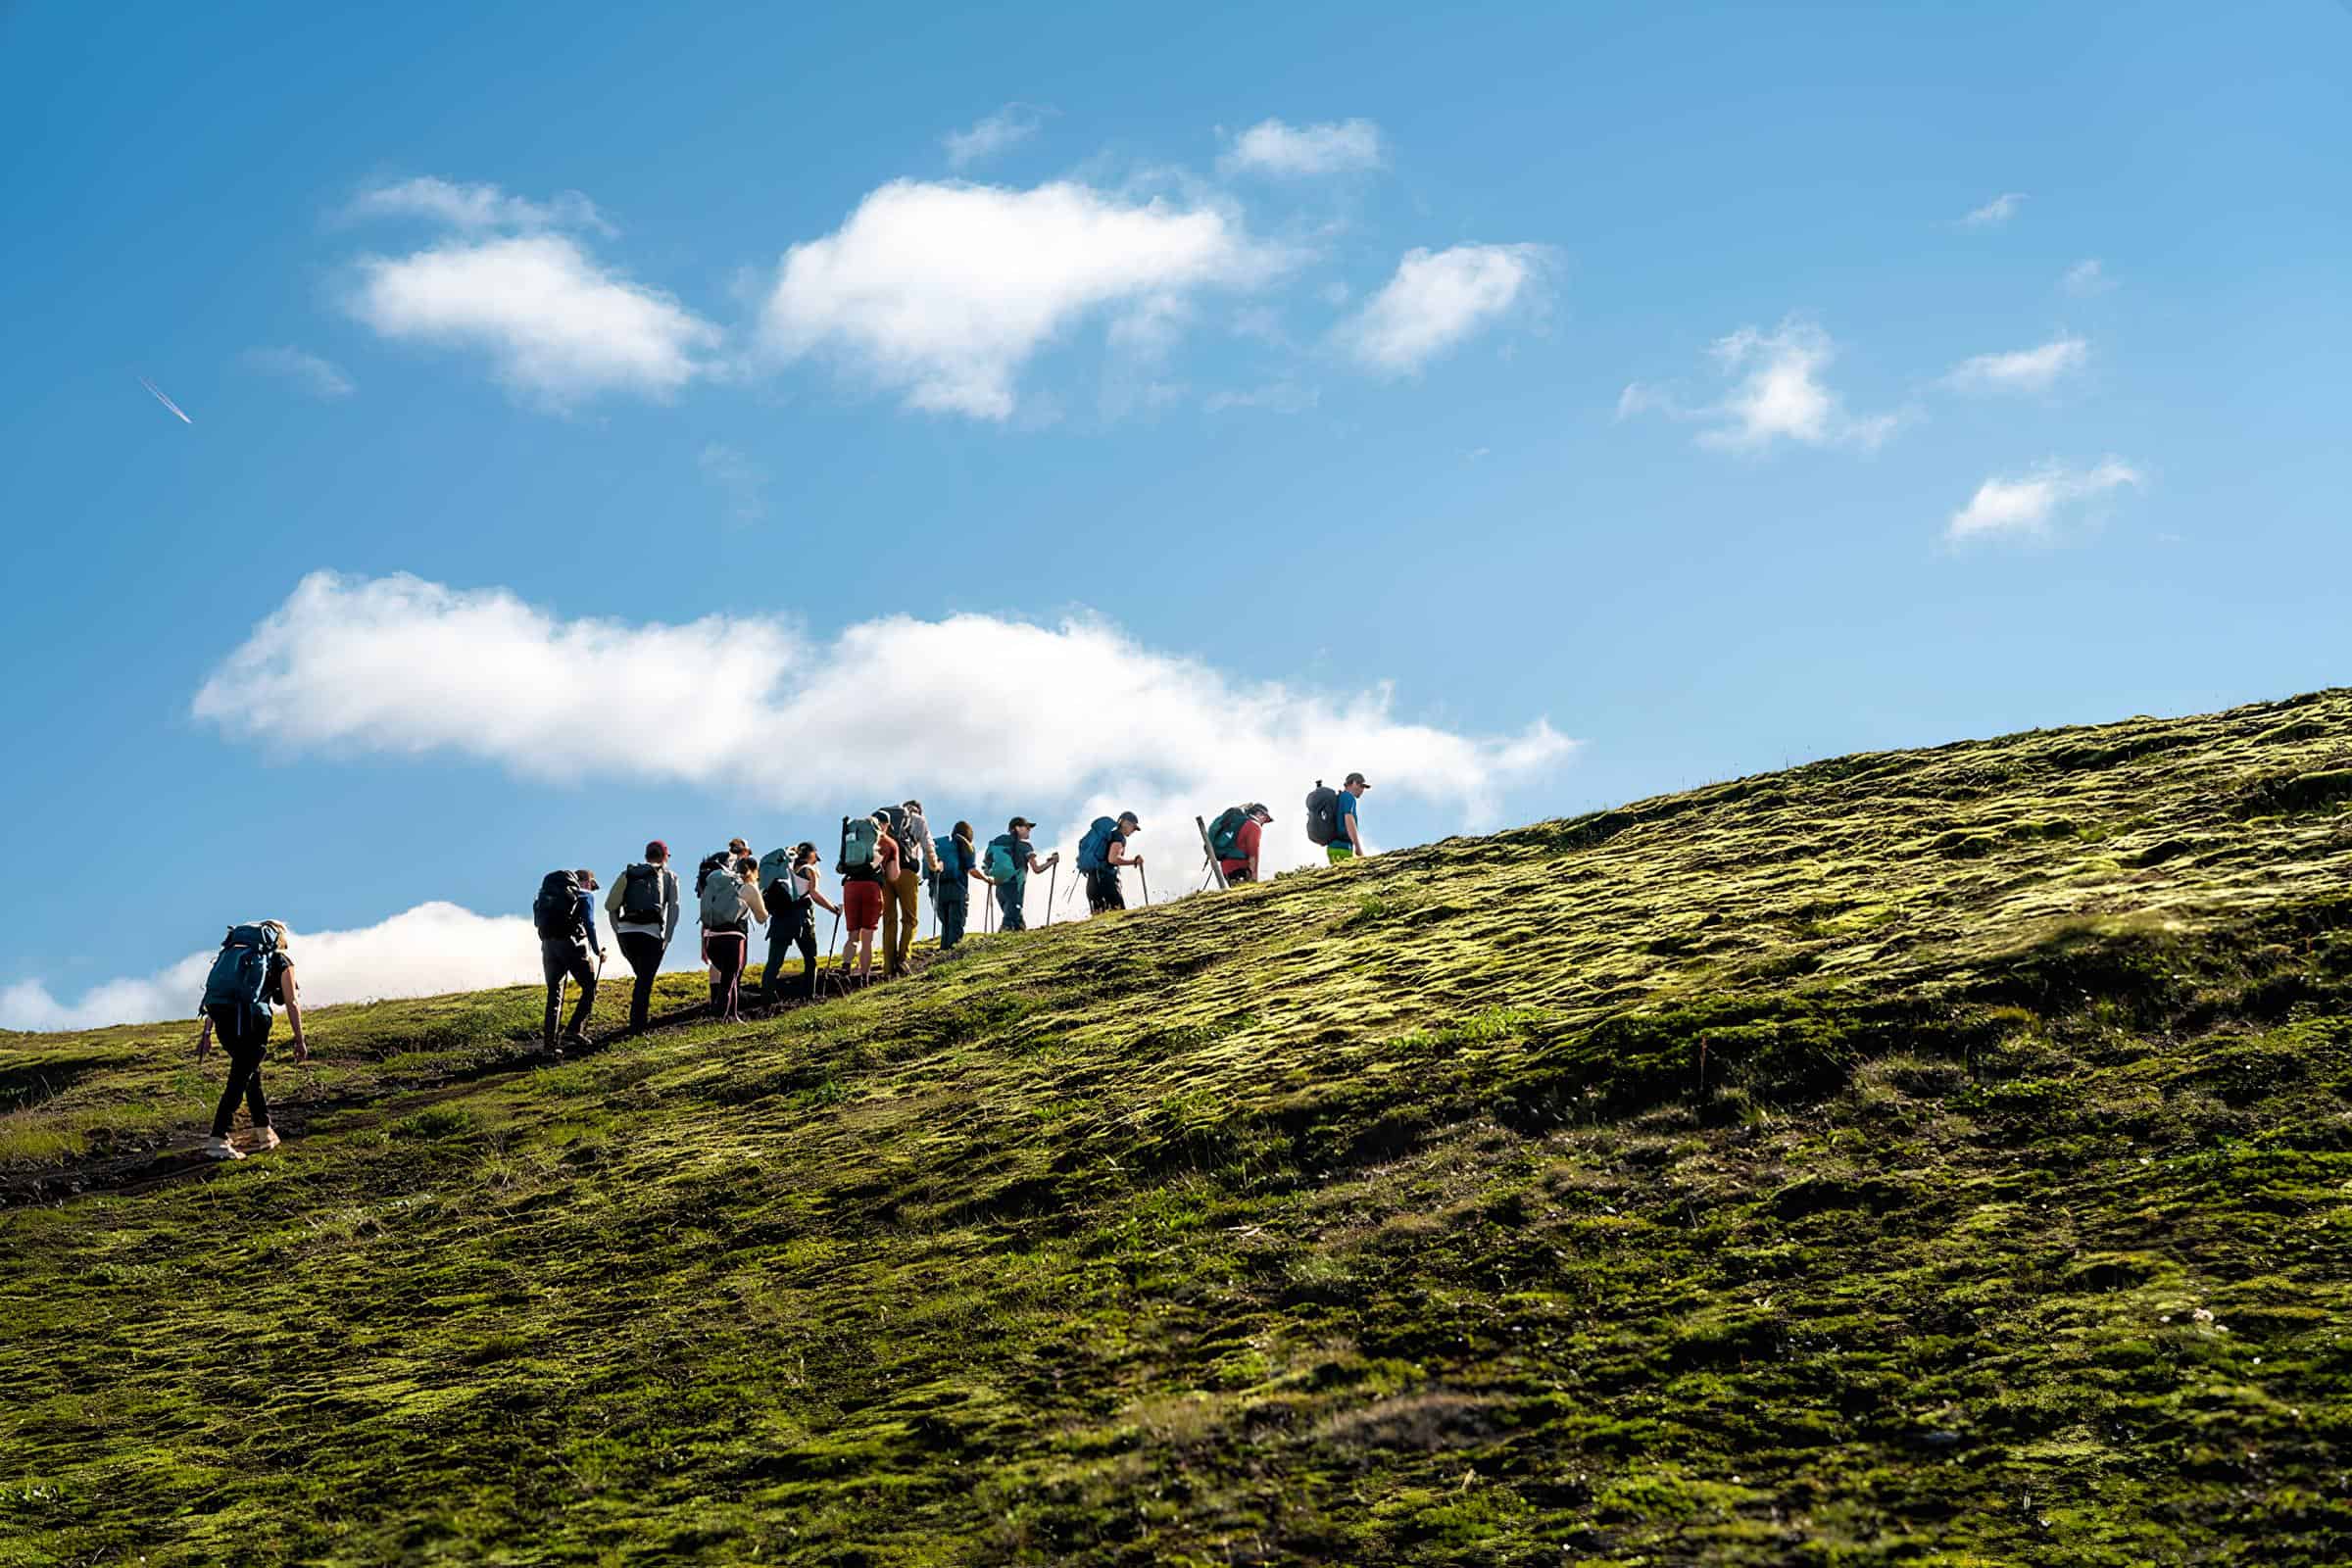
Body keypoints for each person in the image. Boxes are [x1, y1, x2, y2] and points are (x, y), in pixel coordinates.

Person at [194, 920, 305, 1160]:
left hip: (223, 1019)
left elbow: (220, 994)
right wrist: (299, 1039)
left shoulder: (234, 957)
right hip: (253, 1022)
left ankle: (263, 1131)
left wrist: (206, 1034)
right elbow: (291, 1002)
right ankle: (218, 1138)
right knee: (240, 1077)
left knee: (249, 1073)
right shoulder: (280, 960)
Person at [606, 841, 680, 1032]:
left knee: (642, 976)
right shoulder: (669, 876)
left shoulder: (628, 874)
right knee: (645, 981)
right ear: (665, 857)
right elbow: (674, 907)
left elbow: (610, 906)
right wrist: (667, 937)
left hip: (626, 935)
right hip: (651, 934)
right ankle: (638, 1026)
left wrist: (618, 930)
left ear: (647, 856)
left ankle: (637, 1022)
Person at [760, 842, 840, 1004]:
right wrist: (834, 909)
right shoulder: (810, 870)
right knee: (811, 958)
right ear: (811, 855)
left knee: (774, 961)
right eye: (815, 858)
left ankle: (767, 998)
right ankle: (809, 996)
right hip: (801, 917)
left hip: (780, 916)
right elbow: (814, 894)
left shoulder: (785, 869)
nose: (816, 861)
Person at [538, 870, 606, 1056]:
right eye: (592, 885)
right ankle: (574, 1030)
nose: (592, 889)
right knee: (589, 986)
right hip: (571, 945)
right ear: (585, 882)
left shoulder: (548, 894)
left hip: (548, 945)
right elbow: (590, 924)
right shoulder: (584, 896)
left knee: (554, 994)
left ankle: (549, 1047)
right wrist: (596, 949)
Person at [700, 855, 767, 1022]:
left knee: (728, 978)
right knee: (729, 980)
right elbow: (762, 917)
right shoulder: (748, 887)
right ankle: (720, 1017)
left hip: (712, 938)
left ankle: (733, 1015)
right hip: (733, 939)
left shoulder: (717, 885)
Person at [840, 813, 893, 986]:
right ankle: (864, 977)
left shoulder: (851, 841)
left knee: (853, 935)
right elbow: (890, 871)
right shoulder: (884, 843)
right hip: (870, 887)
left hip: (851, 886)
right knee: (867, 937)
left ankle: (845, 967)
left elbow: (840, 868)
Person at [881, 799, 932, 978]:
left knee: (889, 920)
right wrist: (935, 866)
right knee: (910, 919)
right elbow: (928, 846)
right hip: (906, 874)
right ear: (919, 810)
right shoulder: (918, 820)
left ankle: (888, 968)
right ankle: (902, 959)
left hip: (885, 874)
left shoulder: (886, 818)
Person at [985, 816, 1058, 932]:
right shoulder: (1025, 846)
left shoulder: (998, 843)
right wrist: (1052, 862)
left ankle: (1020, 930)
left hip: (1000, 886)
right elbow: (1037, 869)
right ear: (1017, 828)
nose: (1029, 830)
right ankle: (1004, 934)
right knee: (1008, 923)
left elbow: (988, 862)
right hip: (1016, 886)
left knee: (1017, 921)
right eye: (1027, 827)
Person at [931, 820, 987, 952]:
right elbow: (971, 870)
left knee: (945, 922)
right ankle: (953, 953)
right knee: (956, 922)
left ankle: (943, 951)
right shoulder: (965, 846)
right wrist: (986, 879)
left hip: (937, 887)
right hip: (957, 888)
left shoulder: (940, 844)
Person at [1082, 811, 1145, 913]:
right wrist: (1134, 861)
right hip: (1106, 881)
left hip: (1092, 882)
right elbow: (1113, 859)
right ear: (1125, 823)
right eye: (1133, 827)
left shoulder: (1108, 836)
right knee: (1119, 915)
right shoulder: (1118, 837)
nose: (1133, 831)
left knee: (1098, 920)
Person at [1218, 804, 1275, 884]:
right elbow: (1253, 854)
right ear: (1259, 814)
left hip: (1226, 869)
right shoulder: (1254, 826)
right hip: (1240, 869)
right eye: (1265, 819)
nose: (1263, 823)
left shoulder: (1237, 825)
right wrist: (1254, 877)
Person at [1330, 772, 1370, 862]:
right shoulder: (1349, 797)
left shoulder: (1340, 796)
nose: (1363, 790)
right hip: (1343, 847)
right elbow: (1349, 820)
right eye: (1362, 786)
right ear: (1354, 783)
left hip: (1333, 846)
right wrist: (1358, 847)